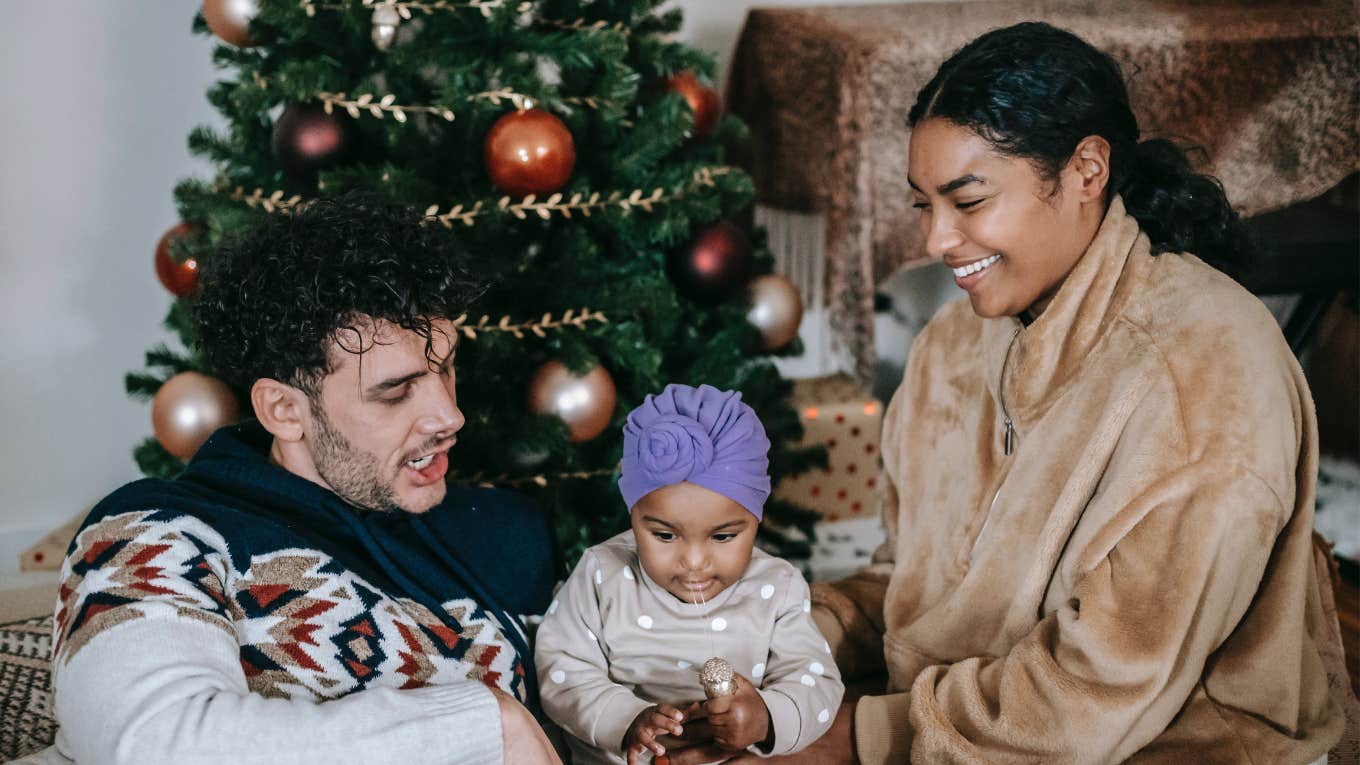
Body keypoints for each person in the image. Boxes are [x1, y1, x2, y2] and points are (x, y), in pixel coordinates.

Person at [673, 21, 1348, 765]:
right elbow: (915, 585)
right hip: (964, 721)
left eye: (968, 200)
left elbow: (1093, 695)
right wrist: (786, 654)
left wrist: (851, 736)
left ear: (1088, 170)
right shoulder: (954, 344)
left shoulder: (1206, 376)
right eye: (923, 205)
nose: (935, 241)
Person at [46, 195, 563, 764]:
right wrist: (485, 726)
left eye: (446, 368)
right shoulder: (152, 533)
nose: (449, 417)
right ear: (284, 410)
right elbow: (153, 746)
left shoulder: (505, 535)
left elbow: (596, 700)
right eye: (395, 391)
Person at [535, 384, 845, 764]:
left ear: (756, 520)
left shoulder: (776, 588)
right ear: (633, 515)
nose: (695, 561)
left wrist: (766, 717)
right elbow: (562, 670)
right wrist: (627, 719)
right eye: (664, 535)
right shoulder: (603, 575)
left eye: (723, 536)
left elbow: (817, 681)